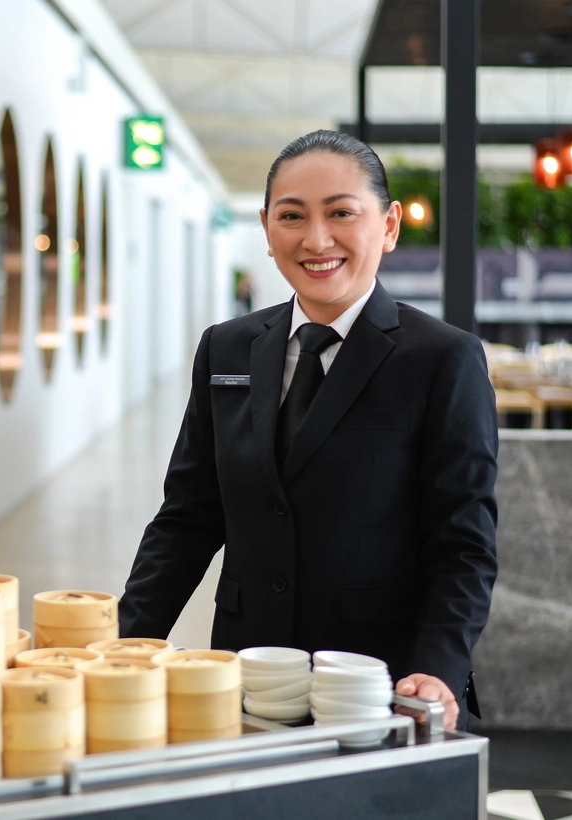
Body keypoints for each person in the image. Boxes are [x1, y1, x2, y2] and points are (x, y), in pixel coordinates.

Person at [119, 130, 497, 729]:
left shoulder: (442, 359)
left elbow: (463, 541)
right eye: (292, 216)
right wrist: (127, 641)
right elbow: (188, 518)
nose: (316, 239)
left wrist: (438, 667)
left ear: (389, 225)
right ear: (268, 230)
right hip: (249, 672)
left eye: (342, 213)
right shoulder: (228, 348)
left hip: (375, 682)